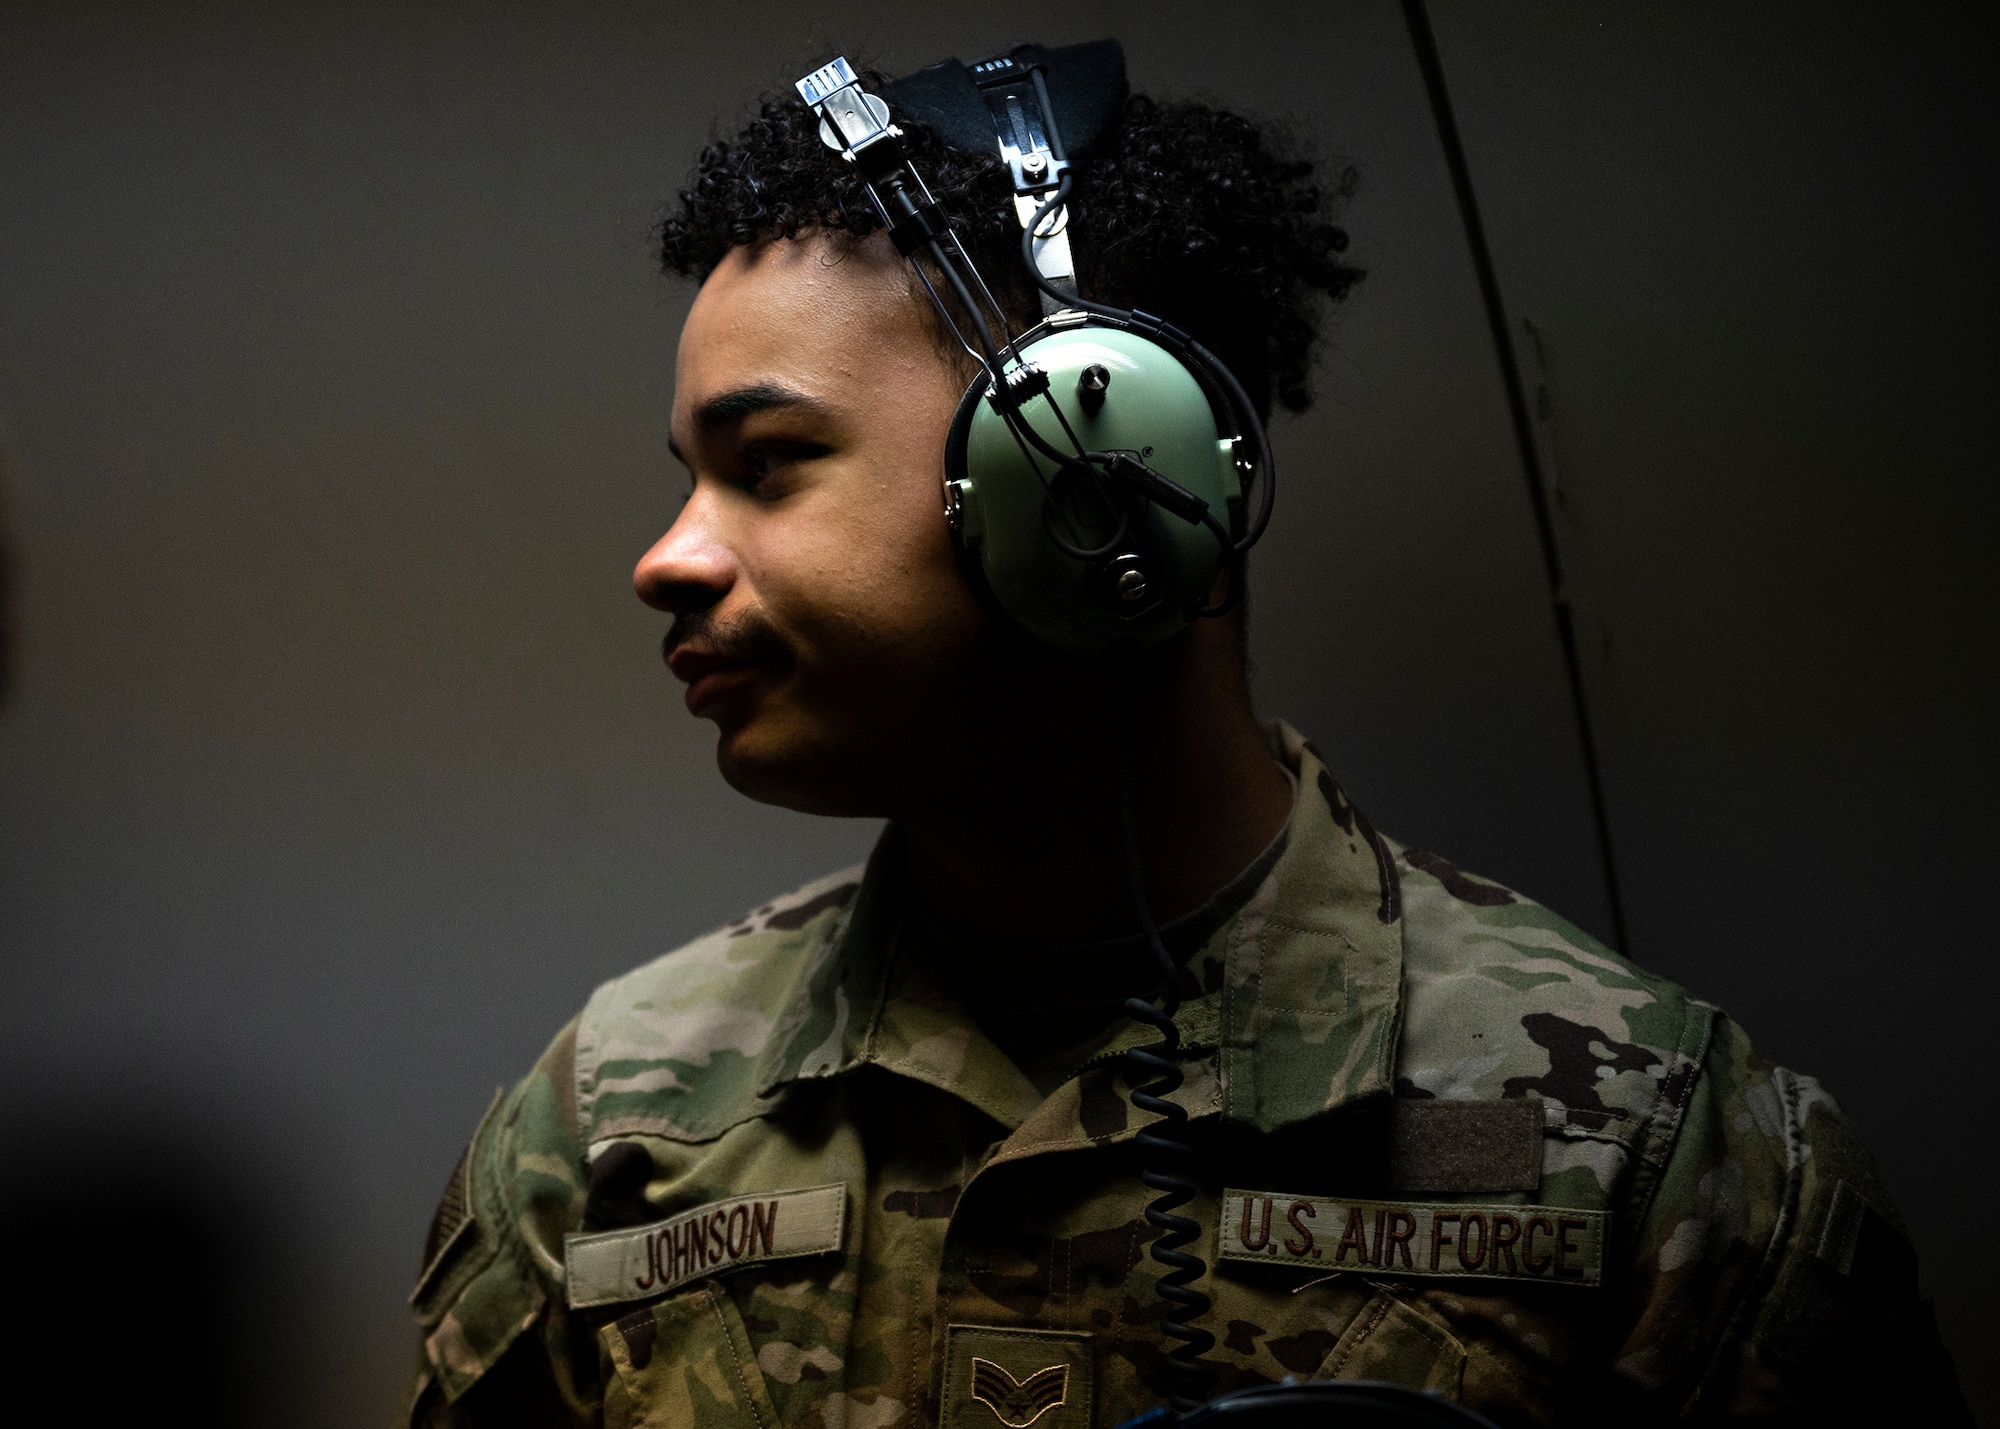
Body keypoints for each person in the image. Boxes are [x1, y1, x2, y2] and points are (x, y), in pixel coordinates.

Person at [405, 41, 1968, 1429]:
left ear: (1101, 477)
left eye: (768, 462)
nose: (665, 557)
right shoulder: (607, 1128)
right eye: (691, 473)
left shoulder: (1646, 1144)